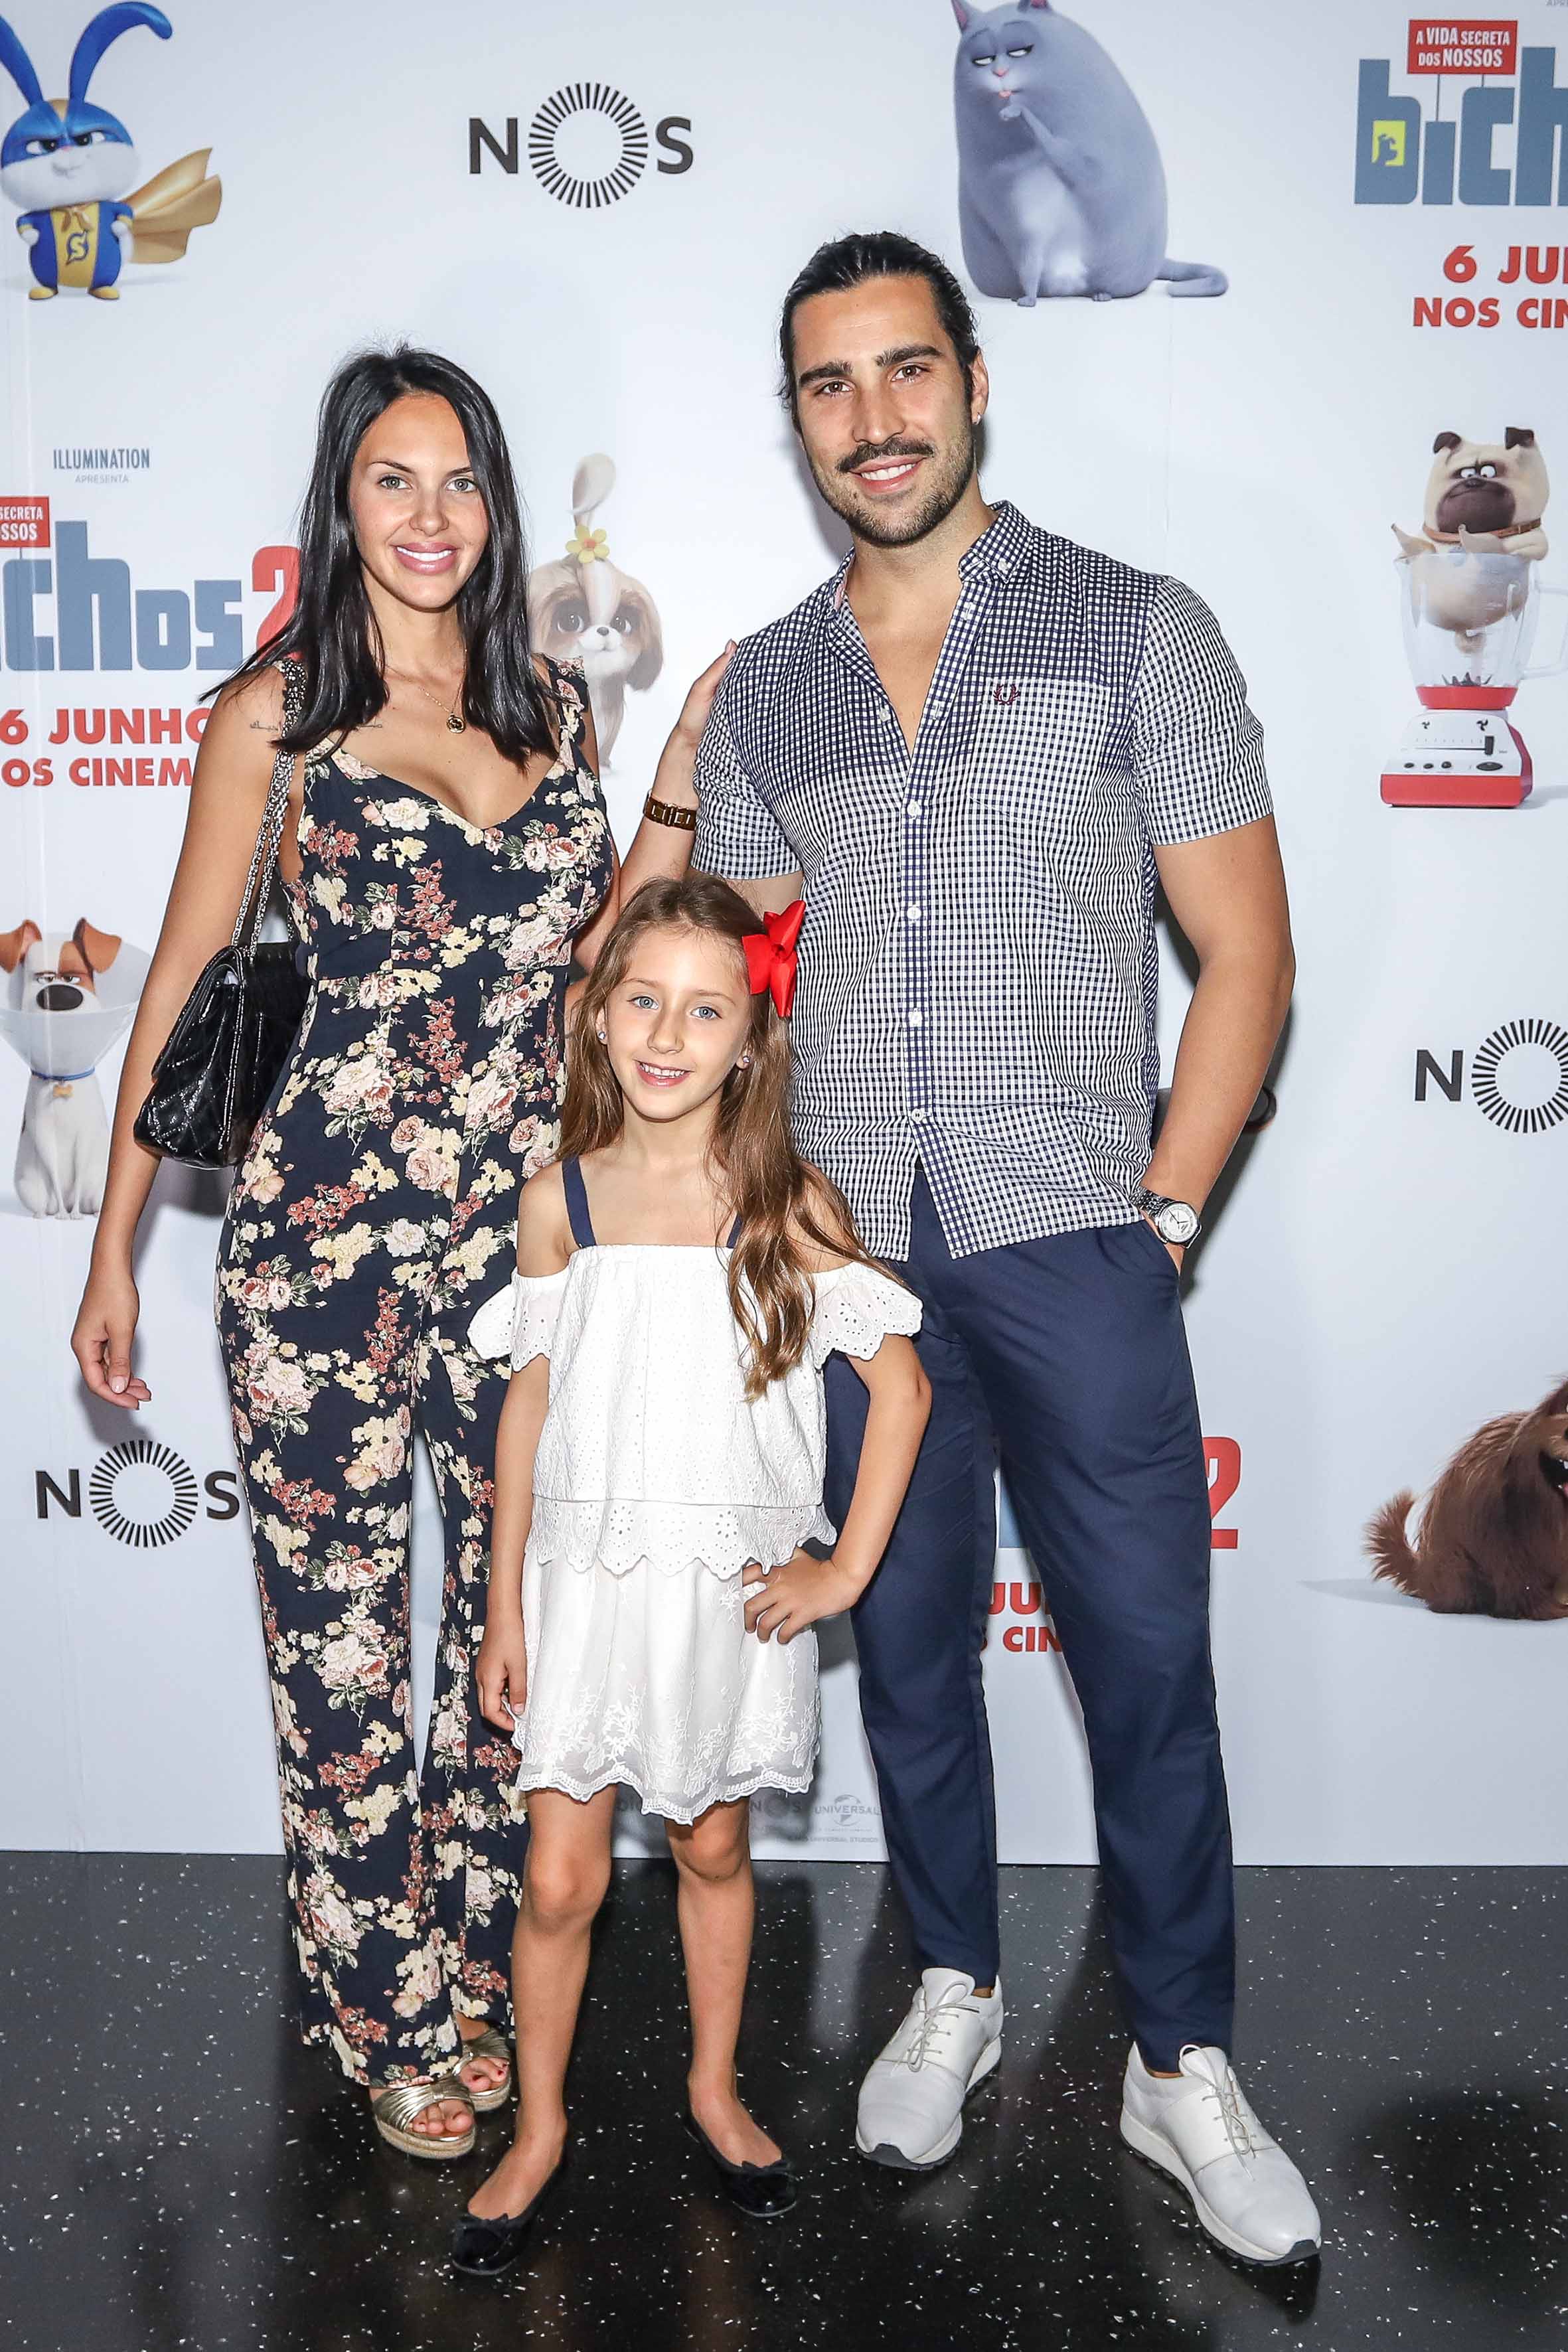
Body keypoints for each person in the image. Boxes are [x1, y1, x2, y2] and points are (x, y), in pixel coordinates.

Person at [691, 232, 1321, 2267]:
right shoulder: (770, 679)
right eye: (827, 384)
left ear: (973, 382)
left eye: (904, 371)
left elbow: (1244, 956)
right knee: (906, 1653)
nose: (870, 418)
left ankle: (1181, 2060)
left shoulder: (1136, 626)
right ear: (796, 419)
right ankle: (950, 1983)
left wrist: (1165, 1214)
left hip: (1077, 1243)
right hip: (855, 1267)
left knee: (1146, 1670)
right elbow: (727, 981)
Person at [72, 347, 730, 2159]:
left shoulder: (554, 707)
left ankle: (472, 1951)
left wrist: (673, 773)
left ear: (495, 508)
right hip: (320, 1243)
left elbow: (590, 968)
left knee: (515, 1620)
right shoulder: (273, 716)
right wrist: (113, 1250)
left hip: (525, 1245)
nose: (429, 516)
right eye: (392, 480)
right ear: (341, 501)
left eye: (459, 483)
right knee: (341, 1638)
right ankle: (385, 2006)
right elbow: (184, 983)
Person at [451, 874, 929, 2278]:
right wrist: (502, 1603)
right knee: (557, 1881)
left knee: (712, 1848)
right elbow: (529, 1402)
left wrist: (842, 1567)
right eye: (642, 1000)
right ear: (599, 1019)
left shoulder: (784, 1202)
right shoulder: (560, 1201)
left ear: (749, 1037)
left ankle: (713, 2089)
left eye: (705, 1009)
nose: (668, 1034)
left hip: (727, 1592)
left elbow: (897, 1391)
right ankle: (538, 2129)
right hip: (586, 1584)